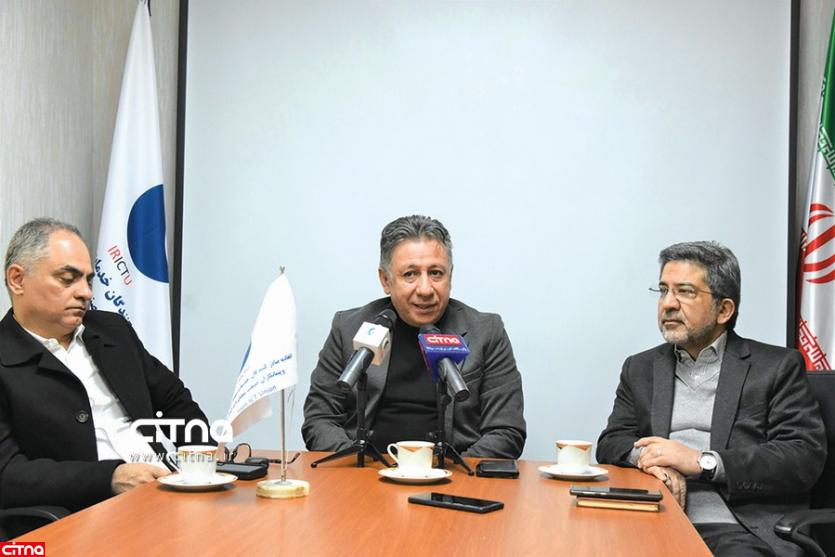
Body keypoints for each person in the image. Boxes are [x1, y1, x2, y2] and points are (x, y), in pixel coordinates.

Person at [596, 241, 827, 556]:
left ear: (724, 310)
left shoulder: (776, 367)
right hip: (652, 517)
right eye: (663, 290)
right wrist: (651, 460)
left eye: (685, 292)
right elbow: (612, 441)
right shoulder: (640, 368)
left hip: (735, 530)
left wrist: (701, 462)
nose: (668, 304)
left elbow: (801, 457)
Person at [0, 218, 212, 514]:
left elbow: (174, 400)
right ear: (17, 279)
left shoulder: (112, 331)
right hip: (86, 514)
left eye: (88, 280)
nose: (86, 293)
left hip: (166, 492)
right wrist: (110, 478)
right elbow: (8, 474)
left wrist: (204, 457)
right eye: (67, 279)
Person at [302, 215, 525, 458]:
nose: (425, 289)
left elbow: (506, 431)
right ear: (385, 280)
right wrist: (359, 467)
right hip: (368, 471)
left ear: (450, 276)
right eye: (410, 274)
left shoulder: (486, 331)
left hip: (452, 474)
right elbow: (319, 420)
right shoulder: (348, 328)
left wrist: (452, 472)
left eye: (436, 273)